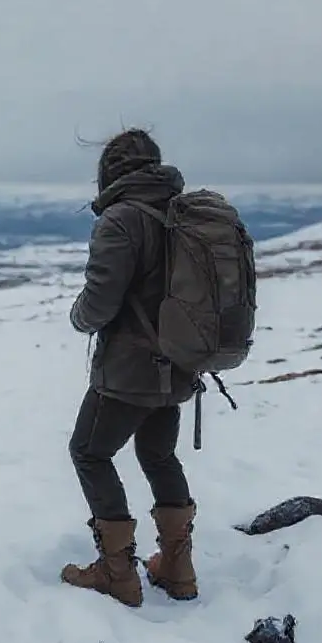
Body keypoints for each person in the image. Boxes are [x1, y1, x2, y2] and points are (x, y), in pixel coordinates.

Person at [60, 128, 200, 608]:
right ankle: (178, 567)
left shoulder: (120, 220)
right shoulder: (183, 215)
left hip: (128, 371)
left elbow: (99, 304)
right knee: (159, 456)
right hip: (179, 366)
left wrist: (78, 316)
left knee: (89, 452)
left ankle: (117, 573)